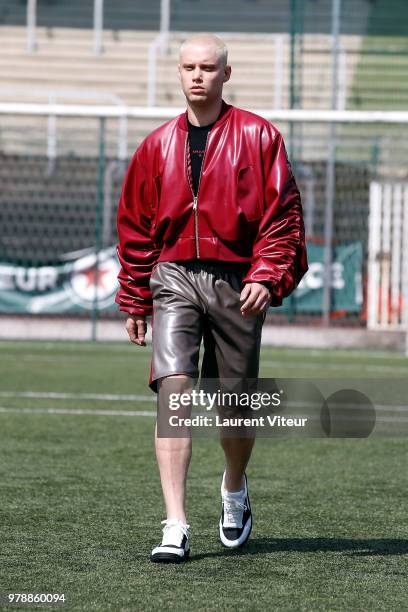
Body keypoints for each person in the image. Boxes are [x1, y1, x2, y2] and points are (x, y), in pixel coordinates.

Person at [115, 33, 308, 563]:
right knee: (173, 389)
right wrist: (134, 298)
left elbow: (283, 217)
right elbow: (135, 228)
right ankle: (175, 522)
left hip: (236, 280)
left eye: (208, 67)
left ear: (227, 73)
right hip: (173, 275)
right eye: (188, 67)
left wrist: (267, 275)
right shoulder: (155, 145)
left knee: (234, 405)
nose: (197, 75)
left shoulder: (259, 135)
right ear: (177, 73)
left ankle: (234, 487)